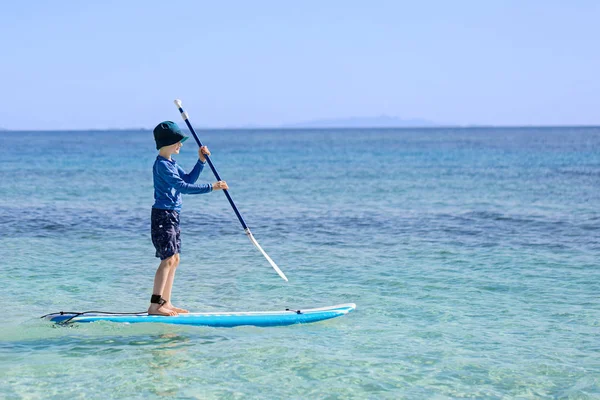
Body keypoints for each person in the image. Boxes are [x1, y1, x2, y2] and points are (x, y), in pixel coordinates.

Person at [149, 121, 228, 316]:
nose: (180, 145)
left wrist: (201, 161)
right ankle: (154, 305)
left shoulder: (172, 164)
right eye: (178, 141)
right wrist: (212, 187)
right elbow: (183, 187)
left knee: (175, 259)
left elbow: (188, 180)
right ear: (167, 143)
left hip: (173, 214)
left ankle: (166, 302)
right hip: (163, 214)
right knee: (167, 259)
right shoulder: (162, 166)